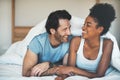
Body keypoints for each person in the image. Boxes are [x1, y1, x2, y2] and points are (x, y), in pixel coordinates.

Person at [55, 3, 116, 80]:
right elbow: (69, 70)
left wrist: (73, 69)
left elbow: (100, 75)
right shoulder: (76, 41)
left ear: (100, 29)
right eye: (84, 24)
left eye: (88, 25)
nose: (83, 28)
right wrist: (63, 77)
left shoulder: (107, 44)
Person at [22, 10, 72, 77]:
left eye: (69, 28)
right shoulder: (37, 42)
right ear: (52, 31)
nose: (69, 33)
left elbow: (67, 68)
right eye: (65, 29)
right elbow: (26, 72)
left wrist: (49, 64)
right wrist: (53, 70)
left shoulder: (70, 41)